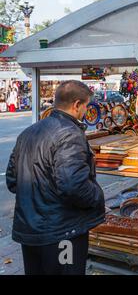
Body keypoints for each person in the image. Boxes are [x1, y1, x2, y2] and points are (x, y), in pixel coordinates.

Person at [6, 80, 105, 275]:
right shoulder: (70, 134)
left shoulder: (28, 132)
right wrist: (97, 197)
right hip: (62, 233)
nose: (86, 111)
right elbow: (73, 186)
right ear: (77, 105)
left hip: (31, 231)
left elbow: (12, 180)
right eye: (86, 106)